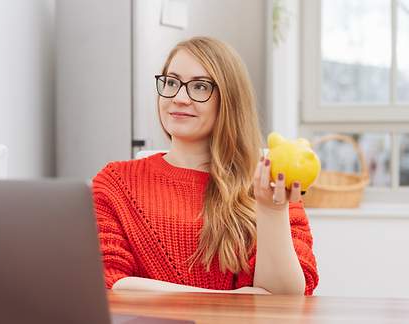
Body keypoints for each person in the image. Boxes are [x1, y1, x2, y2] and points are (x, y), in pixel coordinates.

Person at [92, 36, 318, 295]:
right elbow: (106, 282)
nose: (179, 97)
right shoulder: (115, 182)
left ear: (229, 100)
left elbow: (286, 299)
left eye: (199, 87)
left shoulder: (268, 183)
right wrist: (231, 298)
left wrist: (272, 211)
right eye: (171, 82)